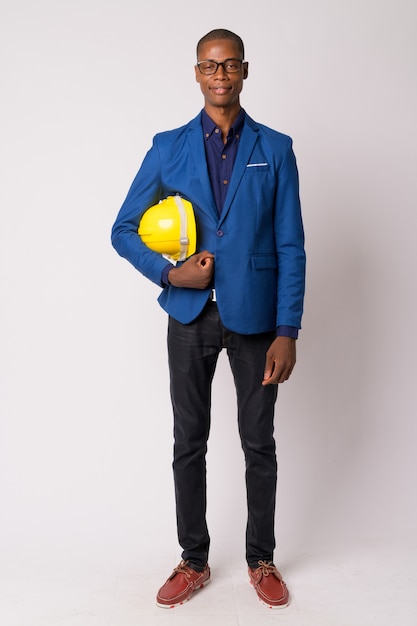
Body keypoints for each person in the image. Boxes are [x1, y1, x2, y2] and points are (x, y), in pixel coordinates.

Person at [111, 28, 306, 610]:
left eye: (230, 66)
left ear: (244, 71)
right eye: (208, 66)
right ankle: (193, 560)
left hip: (255, 319)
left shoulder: (276, 147)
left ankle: (261, 558)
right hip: (190, 316)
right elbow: (122, 229)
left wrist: (288, 330)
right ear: (196, 74)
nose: (220, 76)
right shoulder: (167, 147)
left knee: (259, 444)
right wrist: (171, 275)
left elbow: (292, 244)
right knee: (188, 441)